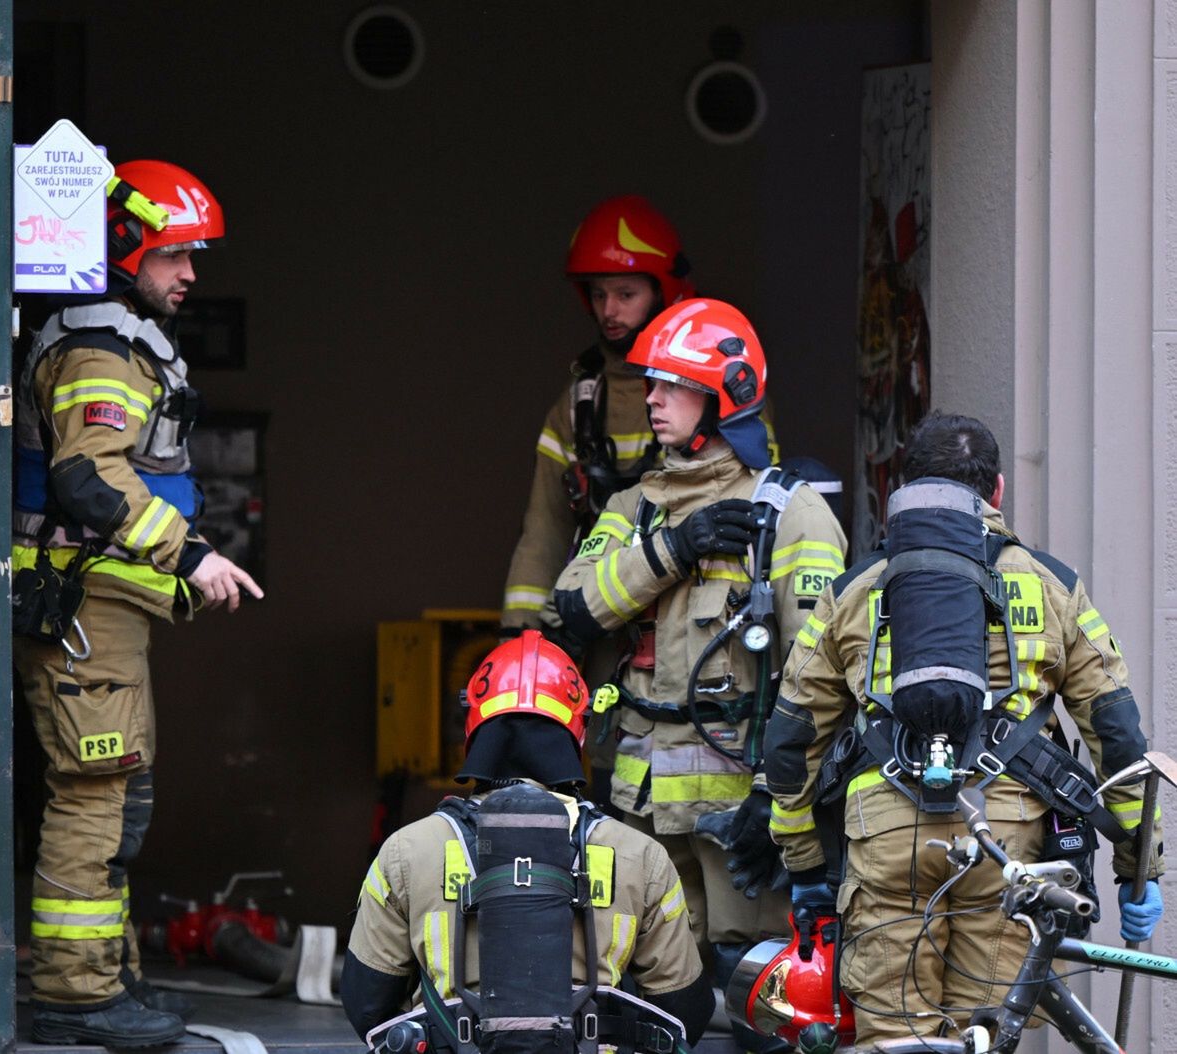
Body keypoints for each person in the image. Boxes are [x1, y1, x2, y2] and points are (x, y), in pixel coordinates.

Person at [762, 411, 1166, 1045]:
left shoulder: (856, 589)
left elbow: (789, 737)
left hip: (886, 836)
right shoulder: (1052, 585)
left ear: (909, 486)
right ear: (997, 491)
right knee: (987, 1035)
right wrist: (1138, 864)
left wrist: (806, 863)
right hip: (1006, 842)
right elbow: (1115, 730)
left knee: (896, 1041)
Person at [12, 159, 262, 1048]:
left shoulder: (120, 340)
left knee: (118, 796)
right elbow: (88, 472)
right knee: (96, 792)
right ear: (125, 249)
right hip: (86, 602)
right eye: (176, 255)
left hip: (107, 607)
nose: (191, 274)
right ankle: (75, 998)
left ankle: (106, 982)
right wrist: (190, 553)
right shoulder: (98, 347)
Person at [551, 298, 847, 1050]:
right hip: (640, 815)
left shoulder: (793, 514)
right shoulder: (634, 508)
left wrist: (776, 803)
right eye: (650, 383)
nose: (649, 399)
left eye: (670, 386)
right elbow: (574, 608)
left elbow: (825, 679)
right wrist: (671, 551)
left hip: (744, 833)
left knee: (760, 1019)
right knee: (638, 1014)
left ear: (724, 397)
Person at [343, 630, 715, 1050]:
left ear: (474, 725)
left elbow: (367, 1006)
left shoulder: (407, 851)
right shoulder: (640, 856)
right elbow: (685, 1012)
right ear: (578, 729)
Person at [499, 195, 695, 636]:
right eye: (599, 294)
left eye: (626, 294)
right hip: (595, 622)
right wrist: (520, 635)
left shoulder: (712, 395)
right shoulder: (575, 407)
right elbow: (544, 531)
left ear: (664, 290)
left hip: (687, 629)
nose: (609, 311)